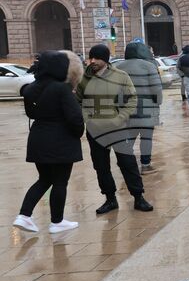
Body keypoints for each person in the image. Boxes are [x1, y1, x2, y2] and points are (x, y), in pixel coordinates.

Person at [13, 51, 85, 234]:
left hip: (38, 138)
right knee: (61, 181)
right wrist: (77, 133)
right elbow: (75, 117)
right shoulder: (62, 88)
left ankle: (24, 215)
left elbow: (32, 114)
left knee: (44, 179)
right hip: (60, 141)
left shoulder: (31, 88)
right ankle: (57, 221)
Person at [77, 44, 154, 214]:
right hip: (95, 131)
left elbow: (132, 99)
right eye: (92, 57)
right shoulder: (84, 78)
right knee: (101, 166)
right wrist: (87, 119)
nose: (94, 61)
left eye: (97, 58)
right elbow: (78, 101)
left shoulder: (120, 76)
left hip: (119, 129)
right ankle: (110, 199)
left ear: (106, 59)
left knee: (128, 163)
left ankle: (138, 197)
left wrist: (121, 117)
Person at [118, 42, 162, 174]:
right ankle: (146, 165)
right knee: (146, 138)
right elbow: (157, 88)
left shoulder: (118, 67)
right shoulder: (149, 66)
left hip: (127, 110)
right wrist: (158, 103)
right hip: (147, 109)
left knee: (129, 138)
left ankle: (125, 163)